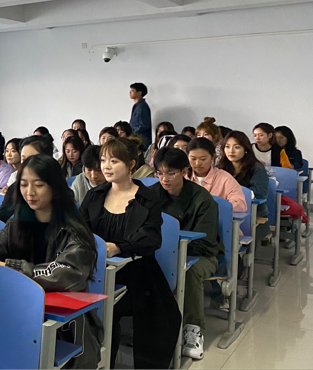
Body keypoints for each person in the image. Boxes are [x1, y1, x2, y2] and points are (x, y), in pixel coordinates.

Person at [0, 154, 102, 370]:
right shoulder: (16, 224)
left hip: (64, 326)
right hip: (16, 313)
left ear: (55, 188)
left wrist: (8, 268)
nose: (30, 192)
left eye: (38, 185)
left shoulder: (73, 231)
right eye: (24, 185)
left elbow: (64, 275)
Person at [80, 137, 180, 369]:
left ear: (131, 164)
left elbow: (151, 237)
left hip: (137, 271)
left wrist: (118, 247)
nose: (106, 167)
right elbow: (78, 230)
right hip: (96, 269)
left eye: (114, 161)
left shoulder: (147, 197)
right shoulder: (95, 195)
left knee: (155, 317)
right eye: (103, 160)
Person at [151, 148, 221, 360]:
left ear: (184, 171)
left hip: (201, 255)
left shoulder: (203, 199)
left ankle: (193, 328)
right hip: (160, 252)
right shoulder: (150, 195)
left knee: (189, 270)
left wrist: (173, 251)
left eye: (171, 173)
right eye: (160, 173)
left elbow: (206, 243)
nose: (164, 179)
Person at [220, 131, 273, 233]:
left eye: (237, 147)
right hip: (226, 211)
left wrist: (232, 195)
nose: (231, 151)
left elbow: (260, 193)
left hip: (252, 213)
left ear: (246, 150)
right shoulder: (221, 168)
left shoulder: (256, 167)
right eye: (227, 146)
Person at [187, 138, 247, 212]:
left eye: (203, 159)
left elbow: (240, 205)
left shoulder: (225, 178)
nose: (197, 163)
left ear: (213, 157)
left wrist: (213, 206)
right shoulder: (183, 177)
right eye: (193, 159)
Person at [129, 82, 153, 148]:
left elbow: (144, 125)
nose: (130, 92)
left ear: (139, 93)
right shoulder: (138, 106)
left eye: (132, 90)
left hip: (141, 140)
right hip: (136, 138)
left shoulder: (142, 106)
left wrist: (131, 132)